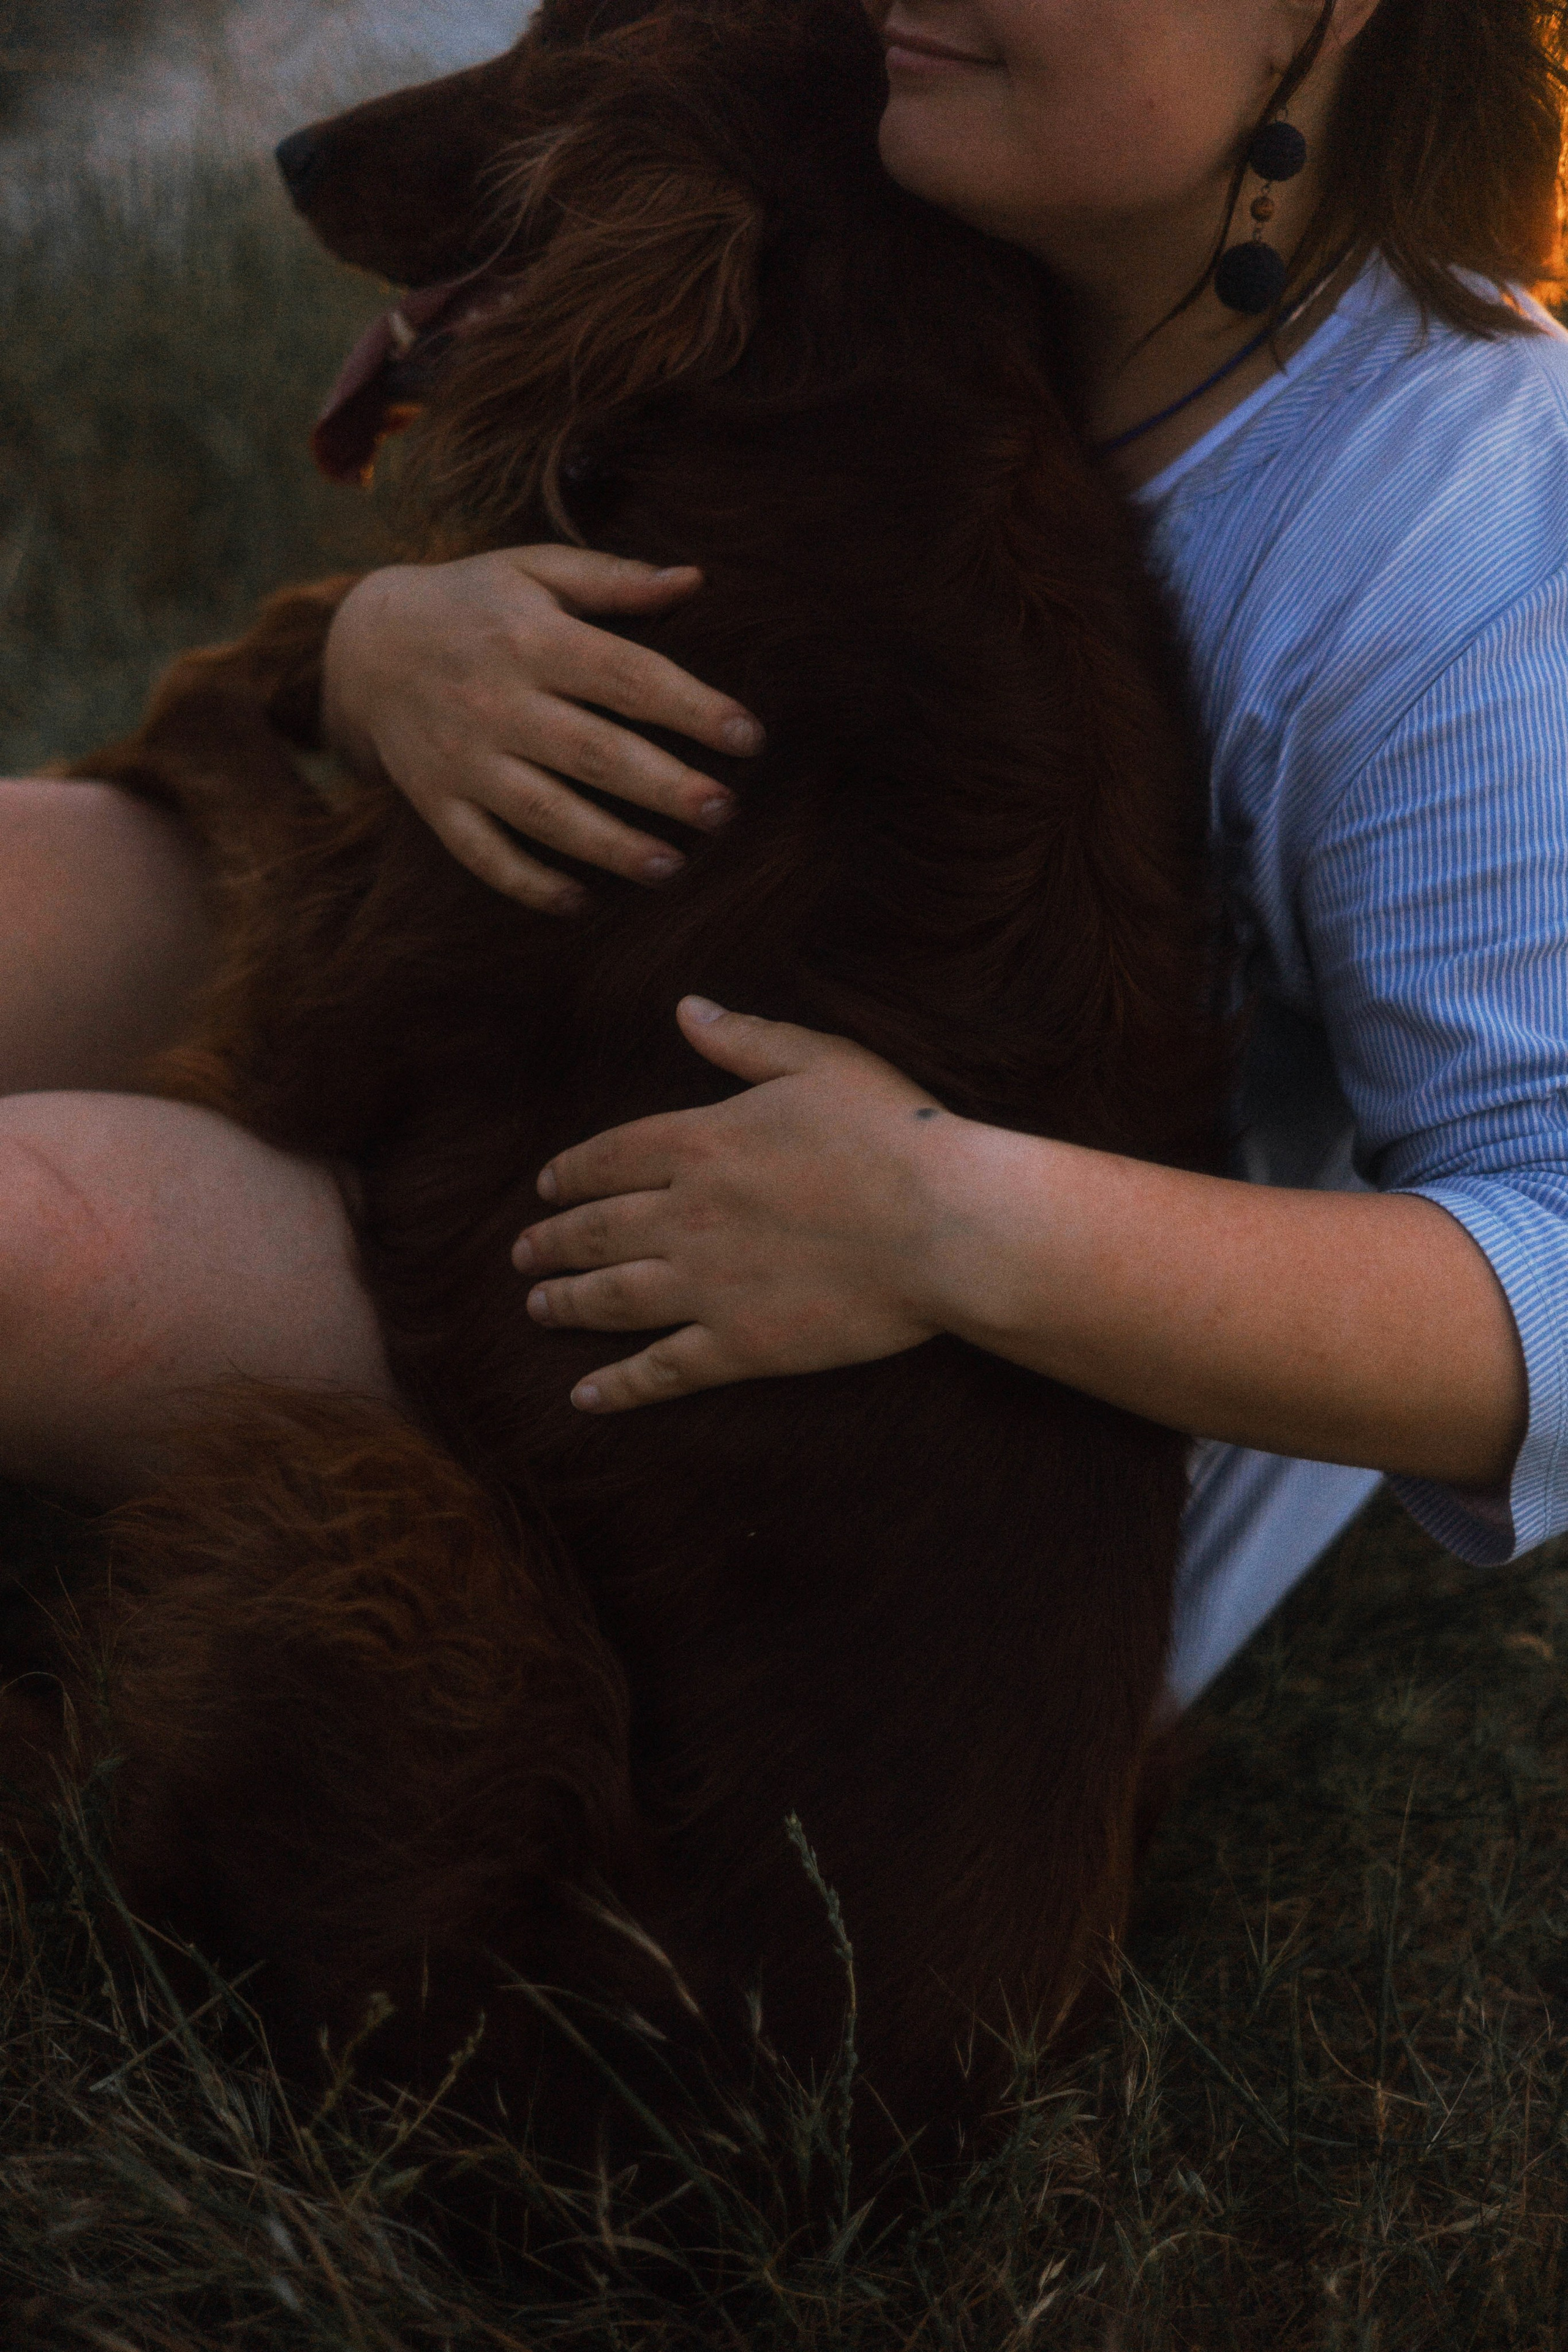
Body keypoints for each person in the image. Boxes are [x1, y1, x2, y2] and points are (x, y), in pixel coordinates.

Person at [2, 0, 1564, 1709]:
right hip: (549, 1026)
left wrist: (947, 1221)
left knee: (34, 1248)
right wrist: (379, 649)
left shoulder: (1469, 555)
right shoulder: (935, 186)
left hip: (872, 1461)